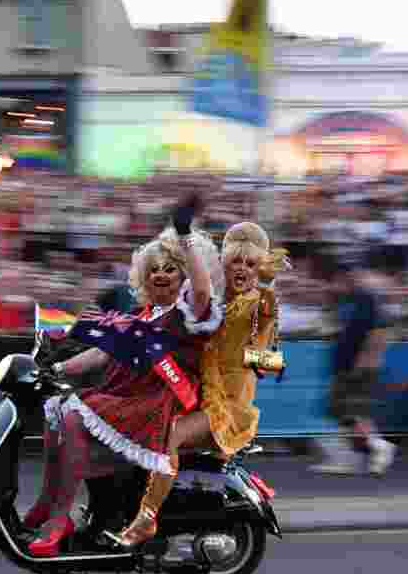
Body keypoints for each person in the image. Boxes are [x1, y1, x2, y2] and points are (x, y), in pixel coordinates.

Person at [22, 200, 223, 558]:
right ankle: (50, 506)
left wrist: (184, 235)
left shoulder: (187, 314)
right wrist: (53, 369)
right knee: (55, 412)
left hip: (156, 404)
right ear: (144, 277)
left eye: (170, 270)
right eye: (154, 270)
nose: (161, 275)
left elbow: (204, 292)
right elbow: (101, 353)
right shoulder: (140, 314)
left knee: (69, 415)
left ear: (183, 278)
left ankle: (58, 522)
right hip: (123, 396)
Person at [107, 221, 290, 548]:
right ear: (224, 262)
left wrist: (251, 359)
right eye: (236, 261)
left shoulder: (260, 303)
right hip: (194, 393)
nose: (241, 269)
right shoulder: (213, 298)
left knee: (169, 435)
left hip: (225, 407)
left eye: (250, 263)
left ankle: (145, 518)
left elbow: (272, 359)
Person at [311, 258, 396, 476]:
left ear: (347, 277)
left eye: (337, 279)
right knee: (342, 412)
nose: (334, 284)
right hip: (344, 366)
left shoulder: (367, 299)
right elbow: (342, 331)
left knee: (351, 412)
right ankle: (366, 453)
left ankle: (376, 449)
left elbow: (380, 333)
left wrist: (366, 362)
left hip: (357, 367)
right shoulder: (345, 301)